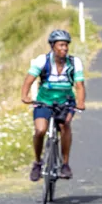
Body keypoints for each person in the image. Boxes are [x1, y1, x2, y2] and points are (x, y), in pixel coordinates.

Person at [21, 30, 87, 181]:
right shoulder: (42, 61)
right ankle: (38, 162)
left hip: (66, 101)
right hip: (44, 100)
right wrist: (25, 96)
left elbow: (79, 85)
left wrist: (81, 102)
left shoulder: (74, 62)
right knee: (40, 130)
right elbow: (29, 80)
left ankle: (65, 164)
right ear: (52, 46)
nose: (64, 48)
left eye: (66, 45)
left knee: (65, 126)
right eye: (61, 45)